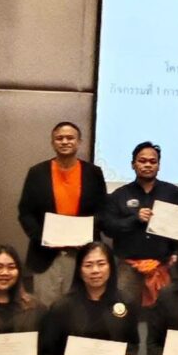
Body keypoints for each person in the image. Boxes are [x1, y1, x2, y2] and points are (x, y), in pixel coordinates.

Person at [18, 121, 107, 307]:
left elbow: (103, 210)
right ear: (53, 142)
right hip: (45, 255)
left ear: (79, 142)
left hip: (82, 254)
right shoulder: (37, 173)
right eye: (59, 138)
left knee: (80, 309)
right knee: (45, 309)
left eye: (70, 138)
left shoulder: (93, 173)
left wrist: (87, 234)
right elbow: (25, 212)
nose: (65, 141)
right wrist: (42, 238)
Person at [101, 141, 178, 308]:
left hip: (163, 266)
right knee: (122, 311)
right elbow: (108, 227)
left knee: (164, 312)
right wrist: (135, 219)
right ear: (133, 164)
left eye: (153, 161)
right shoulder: (119, 195)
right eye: (142, 161)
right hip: (128, 267)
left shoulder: (174, 194)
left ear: (159, 165)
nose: (148, 165)